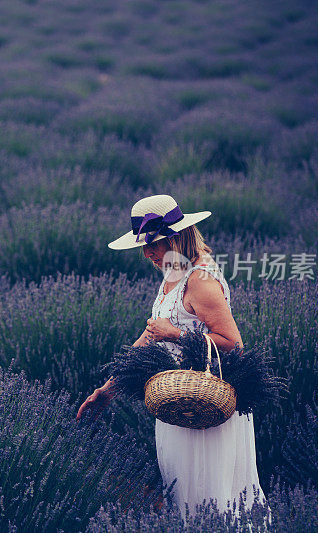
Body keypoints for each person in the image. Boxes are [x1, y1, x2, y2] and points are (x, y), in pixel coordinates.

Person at [76, 194, 267, 522]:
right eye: (145, 246)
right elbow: (151, 335)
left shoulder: (200, 279)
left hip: (207, 406)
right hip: (176, 401)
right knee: (184, 498)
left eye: (156, 244)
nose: (148, 252)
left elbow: (234, 344)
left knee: (210, 499)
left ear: (178, 238)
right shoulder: (174, 272)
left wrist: (175, 335)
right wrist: (108, 390)